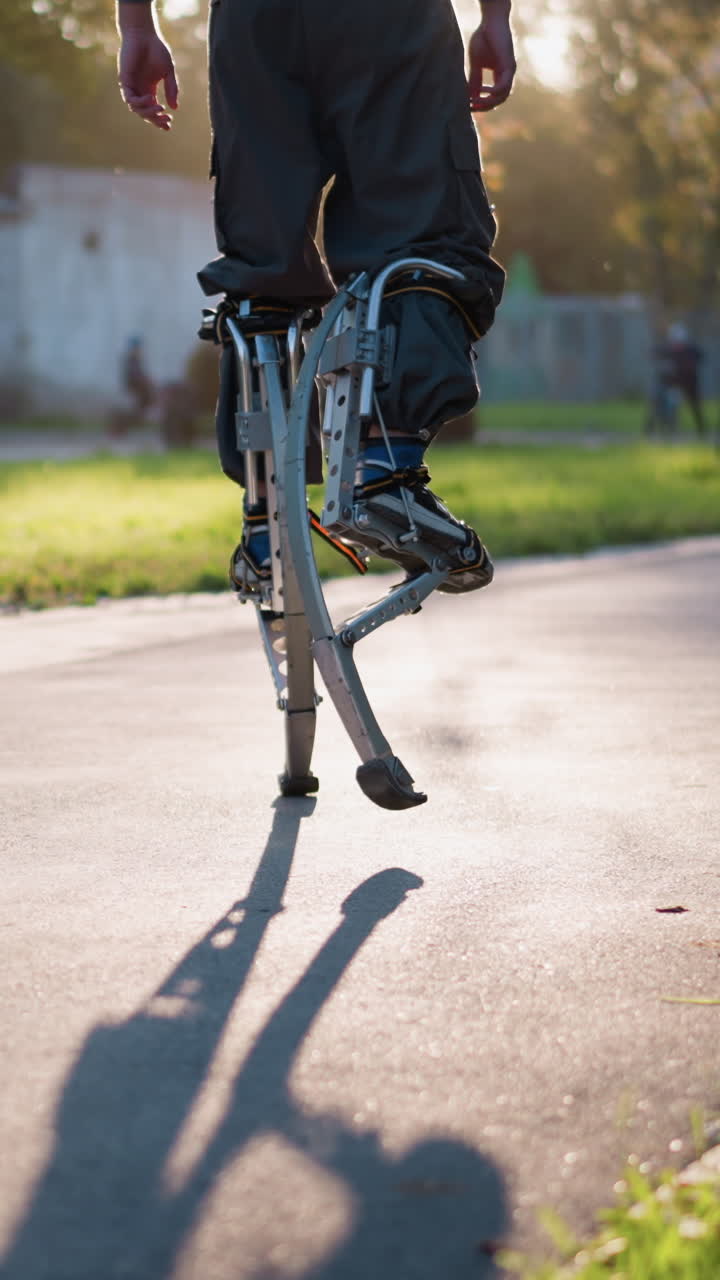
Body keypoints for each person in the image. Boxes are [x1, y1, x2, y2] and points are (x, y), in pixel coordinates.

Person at [116, 0, 516, 592]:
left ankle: (264, 506)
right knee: (424, 227)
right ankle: (385, 468)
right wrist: (496, 18)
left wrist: (137, 25)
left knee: (263, 262)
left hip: (254, 24)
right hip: (389, 21)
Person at [649, 323, 707, 439]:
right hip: (671, 380)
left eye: (679, 341)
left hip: (689, 380)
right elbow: (655, 354)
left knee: (695, 404)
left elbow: (701, 357)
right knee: (657, 400)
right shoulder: (667, 349)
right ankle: (650, 428)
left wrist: (691, 365)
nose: (677, 344)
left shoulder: (691, 350)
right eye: (674, 341)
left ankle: (701, 429)